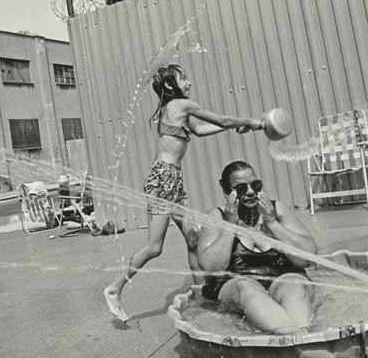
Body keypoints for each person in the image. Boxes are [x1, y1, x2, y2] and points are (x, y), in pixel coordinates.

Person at [103, 64, 265, 321]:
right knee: (154, 247)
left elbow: (200, 130)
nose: (189, 82)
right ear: (170, 85)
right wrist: (249, 122)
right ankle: (114, 288)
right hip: (163, 180)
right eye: (183, 79)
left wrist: (232, 127)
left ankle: (204, 296)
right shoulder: (180, 104)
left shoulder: (177, 109)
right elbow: (221, 119)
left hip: (173, 180)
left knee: (193, 239)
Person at [196, 160, 318, 333]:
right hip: (237, 285)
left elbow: (307, 257)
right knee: (245, 287)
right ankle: (291, 335)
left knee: (295, 284)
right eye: (241, 188)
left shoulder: (277, 209)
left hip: (281, 279)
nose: (251, 192)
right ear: (226, 192)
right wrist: (230, 226)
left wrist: (273, 224)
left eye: (256, 185)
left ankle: (301, 337)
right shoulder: (218, 216)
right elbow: (211, 267)